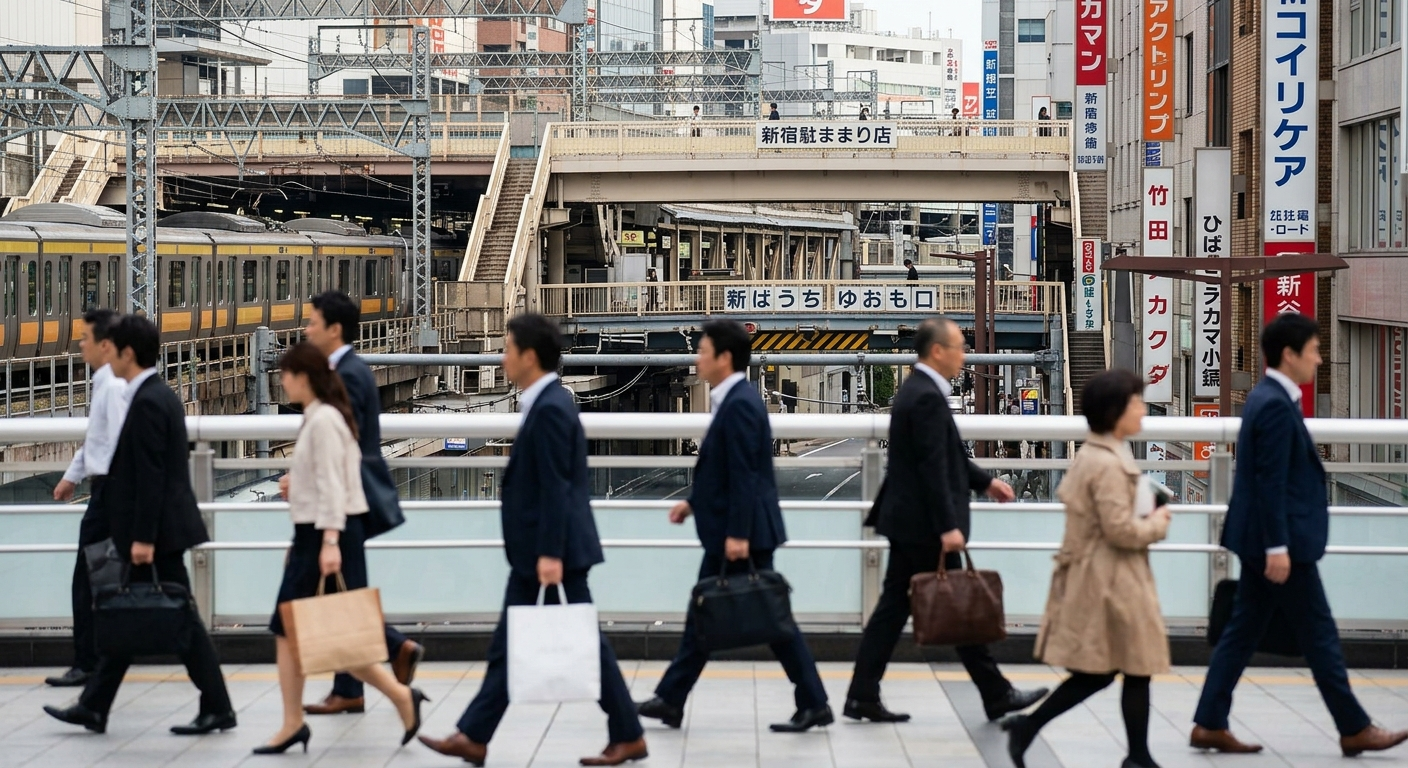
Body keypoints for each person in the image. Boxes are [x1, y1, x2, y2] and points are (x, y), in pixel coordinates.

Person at [420, 314, 647, 767]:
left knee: (577, 643)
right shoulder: (546, 403)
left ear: (528, 355)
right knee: (513, 645)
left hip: (551, 552)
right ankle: (474, 735)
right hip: (545, 550)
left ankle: (627, 733)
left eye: (507, 349)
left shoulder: (548, 408)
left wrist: (548, 552)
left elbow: (557, 486)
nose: (502, 357)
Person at [1191, 314, 1407, 757]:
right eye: (1313, 350)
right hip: (1280, 543)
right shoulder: (1273, 403)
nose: (1319, 359)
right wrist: (1278, 546)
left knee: (1243, 632)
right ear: (1289, 355)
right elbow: (1270, 481)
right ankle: (1354, 727)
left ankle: (1209, 721)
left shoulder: (1267, 396)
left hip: (1268, 539)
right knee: (1319, 634)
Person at [843, 317, 1046, 724]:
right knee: (956, 608)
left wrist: (986, 483)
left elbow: (945, 456)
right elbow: (932, 467)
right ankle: (996, 694)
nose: (964, 355)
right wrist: (948, 525)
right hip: (924, 526)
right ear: (938, 351)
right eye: (958, 347)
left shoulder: (920, 391)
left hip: (911, 521)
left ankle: (863, 694)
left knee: (896, 612)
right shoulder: (925, 397)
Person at [637, 319, 831, 733]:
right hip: (735, 527)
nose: (697, 358)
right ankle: (672, 699)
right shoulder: (733, 397)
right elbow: (727, 470)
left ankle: (813, 701)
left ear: (724, 358)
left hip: (742, 533)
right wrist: (692, 503)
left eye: (703, 351)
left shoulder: (739, 402)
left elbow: (745, 475)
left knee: (766, 620)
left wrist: (739, 535)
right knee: (719, 614)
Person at [44, 315, 235, 736]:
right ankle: (94, 706)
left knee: (179, 621)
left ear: (127, 352)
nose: (105, 354)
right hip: (156, 530)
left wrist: (144, 539)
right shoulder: (152, 393)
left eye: (112, 347)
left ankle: (218, 706)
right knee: (124, 609)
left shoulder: (147, 400)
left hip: (157, 534)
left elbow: (150, 476)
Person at [257, 342, 426, 755]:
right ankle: (400, 697)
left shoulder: (324, 421)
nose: (281, 381)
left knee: (293, 632)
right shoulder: (322, 418)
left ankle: (293, 723)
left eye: (286, 374)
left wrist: (327, 541)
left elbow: (335, 486)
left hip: (326, 535)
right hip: (316, 535)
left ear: (304, 378)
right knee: (332, 635)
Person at [1003, 369, 1171, 768]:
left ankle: (1135, 755)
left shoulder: (1098, 453)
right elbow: (1120, 530)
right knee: (1122, 667)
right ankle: (1134, 756)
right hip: (1111, 580)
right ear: (1116, 411)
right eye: (1136, 403)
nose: (1142, 409)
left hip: (1104, 576)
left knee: (1122, 669)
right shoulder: (1107, 464)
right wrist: (1158, 524)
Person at [299, 291, 424, 716]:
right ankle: (353, 682)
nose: (306, 329)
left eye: (312, 322)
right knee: (342, 594)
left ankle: (390, 650)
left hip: (345, 501)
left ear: (334, 329)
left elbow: (340, 444)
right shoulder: (347, 369)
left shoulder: (347, 374)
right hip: (344, 499)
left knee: (342, 596)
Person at [47, 308, 125, 689]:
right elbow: (97, 436)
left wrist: (81, 476)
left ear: (105, 345)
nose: (79, 344)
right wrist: (71, 476)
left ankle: (88, 663)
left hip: (110, 492)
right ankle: (97, 666)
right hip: (106, 489)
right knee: (102, 580)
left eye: (84, 339)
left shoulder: (112, 385)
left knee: (87, 580)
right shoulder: (106, 380)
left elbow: (110, 442)